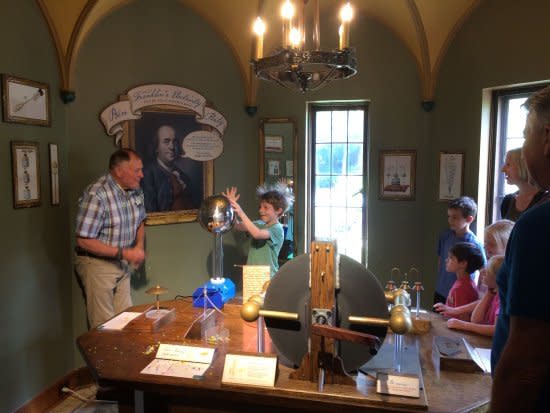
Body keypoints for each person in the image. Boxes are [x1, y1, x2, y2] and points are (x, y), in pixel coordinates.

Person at [490, 86, 550, 413]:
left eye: (526, 135)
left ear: (547, 138)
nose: (524, 147)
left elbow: (527, 365)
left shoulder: (539, 224)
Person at [74, 149, 146, 329]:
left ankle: (125, 358)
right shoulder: (96, 194)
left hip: (121, 263)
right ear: (119, 170)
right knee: (104, 328)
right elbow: (83, 240)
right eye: (136, 170)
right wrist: (124, 253)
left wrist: (138, 247)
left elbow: (140, 221)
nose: (142, 175)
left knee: (128, 321)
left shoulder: (136, 191)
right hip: (97, 265)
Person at [434, 219, 514, 318]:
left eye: (492, 244)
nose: (486, 247)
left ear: (507, 247)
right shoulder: (485, 272)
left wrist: (456, 312)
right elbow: (482, 302)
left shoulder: (509, 277)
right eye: (485, 243)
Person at [223, 182, 294, 278]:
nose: (261, 210)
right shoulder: (259, 224)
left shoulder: (277, 229)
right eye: (260, 207)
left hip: (267, 276)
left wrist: (240, 211)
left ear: (278, 210)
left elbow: (257, 234)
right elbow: (237, 225)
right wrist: (231, 208)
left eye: (266, 207)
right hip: (252, 275)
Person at [434, 196, 486, 305]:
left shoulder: (474, 243)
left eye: (455, 217)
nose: (450, 220)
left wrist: (480, 293)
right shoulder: (445, 236)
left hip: (462, 292)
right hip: (441, 291)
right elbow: (440, 260)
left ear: (469, 219)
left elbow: (483, 270)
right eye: (449, 216)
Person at [446, 255, 504, 336]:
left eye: (487, 271)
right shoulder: (494, 293)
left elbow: (496, 330)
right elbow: (475, 319)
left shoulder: (503, 299)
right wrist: (489, 292)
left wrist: (463, 325)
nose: (482, 272)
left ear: (497, 278)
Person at [142, 124, 194, 212]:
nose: (172, 147)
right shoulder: (147, 175)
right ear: (156, 147)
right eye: (166, 141)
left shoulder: (184, 177)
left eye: (174, 142)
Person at [441, 242, 483, 321]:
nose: (446, 260)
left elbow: (463, 318)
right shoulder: (465, 283)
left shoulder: (461, 288)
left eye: (451, 258)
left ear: (463, 263)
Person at [500, 147, 546, 221]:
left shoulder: (545, 200)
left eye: (508, 164)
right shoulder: (507, 202)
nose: (502, 169)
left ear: (523, 166)